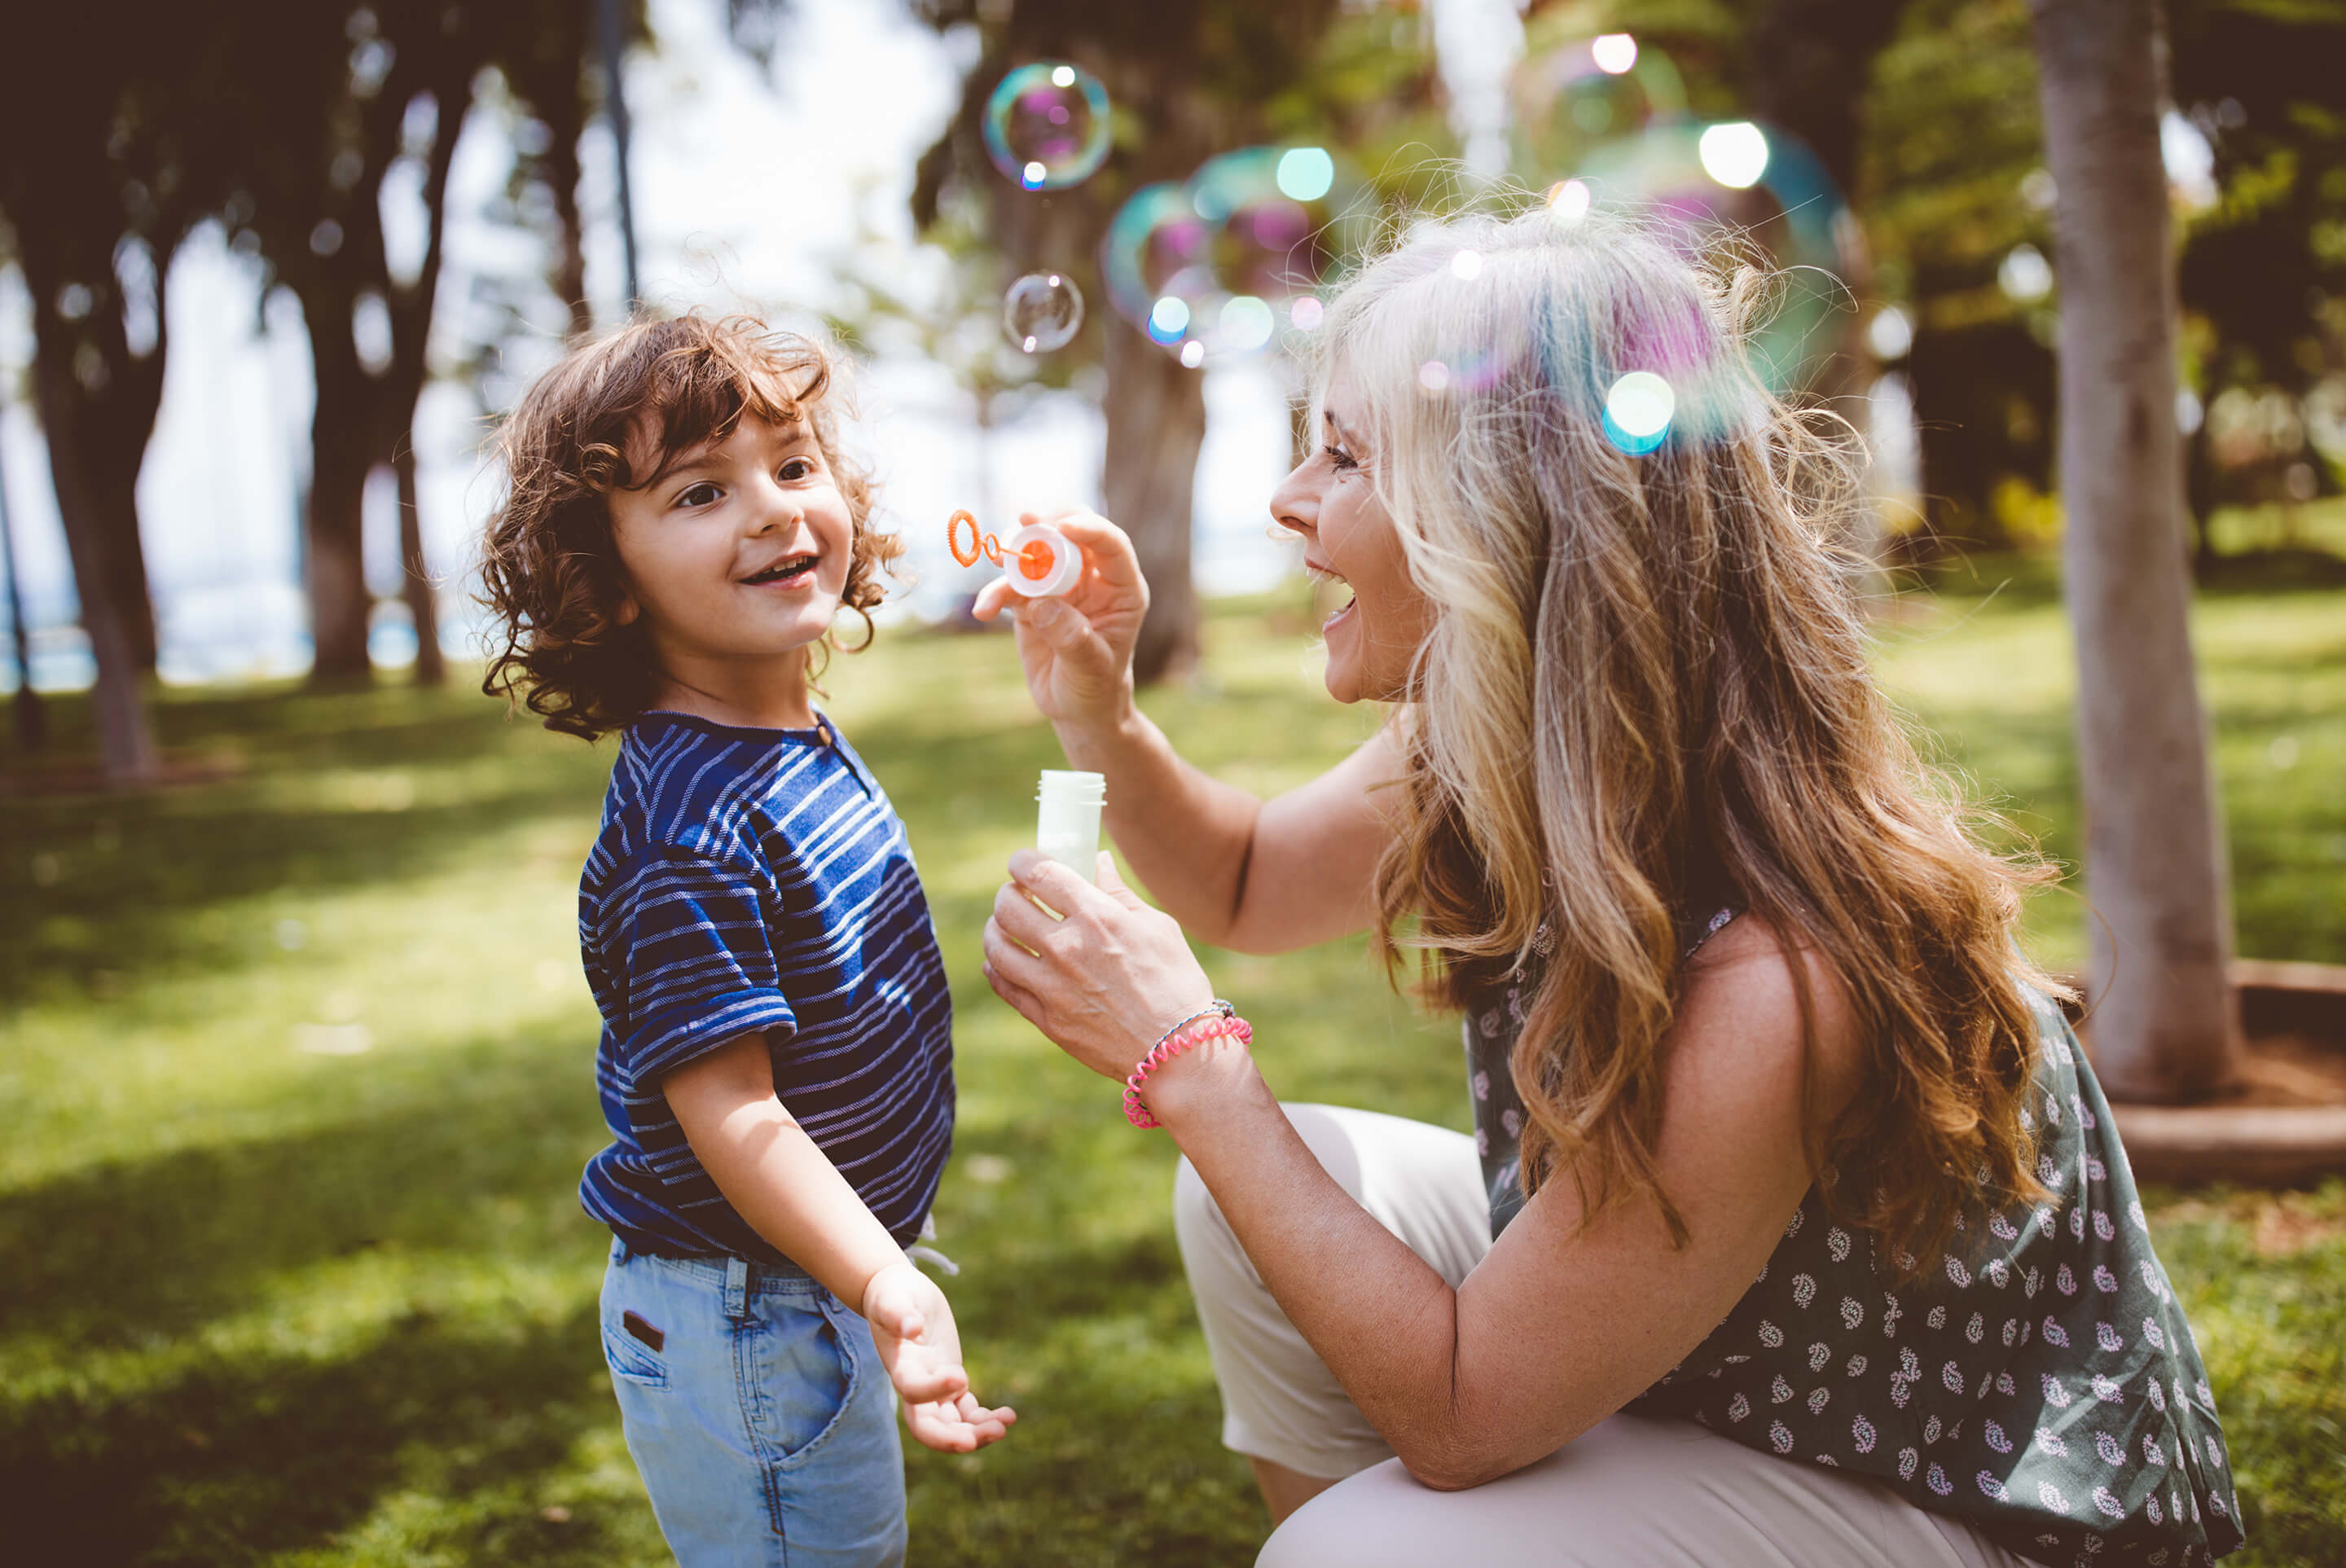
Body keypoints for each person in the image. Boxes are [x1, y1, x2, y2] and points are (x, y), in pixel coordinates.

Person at [976, 207, 2243, 1568]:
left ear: (1503, 523)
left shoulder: (1783, 968)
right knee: (1273, 1231)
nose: (1288, 501)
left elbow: (1461, 1414)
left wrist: (1193, 1062)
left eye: (1344, 454)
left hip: (1957, 1502)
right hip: (1735, 1373)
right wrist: (1101, 715)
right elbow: (1239, 881)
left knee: (1364, 1548)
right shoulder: (1494, 733)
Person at [478, 314, 1013, 1567]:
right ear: (605, 577)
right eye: (702, 491)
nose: (773, 510)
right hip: (748, 1311)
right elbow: (736, 1114)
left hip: (798, 1282)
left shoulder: (792, 731)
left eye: (794, 463)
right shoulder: (687, 829)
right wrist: (886, 1282)